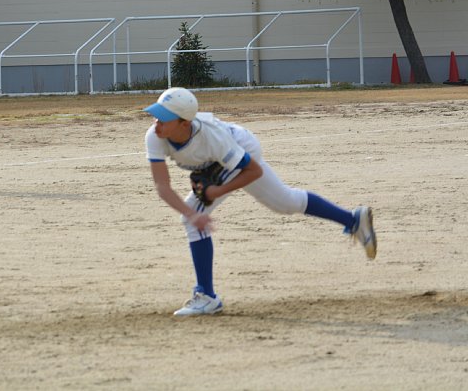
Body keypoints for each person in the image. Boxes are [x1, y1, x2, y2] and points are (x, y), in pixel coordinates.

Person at [143, 87, 376, 316]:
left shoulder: (212, 139)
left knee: (193, 218)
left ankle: (206, 296)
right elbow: (162, 186)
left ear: (184, 123)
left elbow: (253, 171)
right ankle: (353, 220)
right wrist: (194, 214)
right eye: (156, 116)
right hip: (222, 157)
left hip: (242, 150)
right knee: (285, 202)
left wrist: (217, 192)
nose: (157, 123)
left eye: (164, 118)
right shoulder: (155, 136)